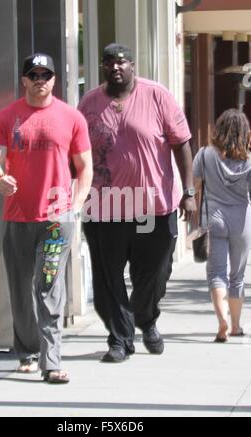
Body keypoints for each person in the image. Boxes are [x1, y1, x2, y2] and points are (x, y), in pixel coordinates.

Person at [78, 43, 196, 363]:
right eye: (108, 63)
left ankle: (146, 318)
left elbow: (181, 143)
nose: (115, 67)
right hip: (107, 206)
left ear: (133, 65)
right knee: (109, 276)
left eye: (121, 62)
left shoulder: (157, 95)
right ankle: (120, 339)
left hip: (154, 207)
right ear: (102, 68)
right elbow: (77, 152)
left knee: (155, 272)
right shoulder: (89, 103)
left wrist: (189, 192)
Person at [0, 53, 92, 383]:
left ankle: (52, 361)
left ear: (55, 80)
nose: (40, 80)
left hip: (57, 221)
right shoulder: (8, 117)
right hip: (18, 218)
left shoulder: (72, 117)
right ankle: (28, 352)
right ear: (24, 80)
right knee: (20, 289)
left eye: (46, 74)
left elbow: (84, 167)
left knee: (48, 287)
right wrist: (0, 179)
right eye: (34, 74)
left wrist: (75, 204)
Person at [193, 109, 251, 343]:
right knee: (237, 276)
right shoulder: (248, 160)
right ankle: (236, 325)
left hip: (214, 218)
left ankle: (222, 323)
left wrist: (194, 211)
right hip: (242, 219)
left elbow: (195, 186)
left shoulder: (204, 155)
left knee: (216, 274)